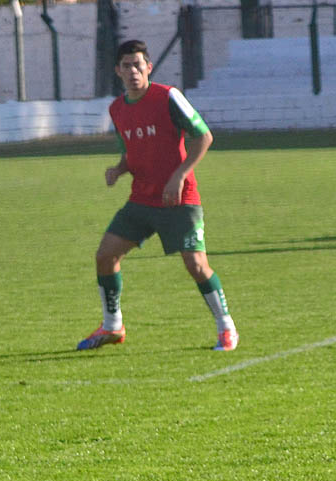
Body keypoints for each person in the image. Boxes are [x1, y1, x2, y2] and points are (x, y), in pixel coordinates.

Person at [78, 39, 238, 352]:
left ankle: (226, 328)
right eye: (127, 65)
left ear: (149, 67)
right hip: (142, 199)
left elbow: (204, 136)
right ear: (118, 71)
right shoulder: (117, 109)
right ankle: (113, 326)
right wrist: (118, 169)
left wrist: (178, 176)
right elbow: (131, 152)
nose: (133, 70)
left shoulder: (168, 97)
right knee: (105, 256)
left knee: (196, 264)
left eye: (139, 64)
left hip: (179, 199)